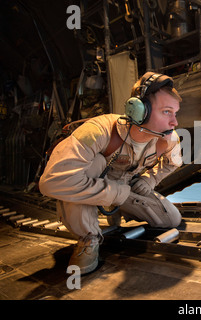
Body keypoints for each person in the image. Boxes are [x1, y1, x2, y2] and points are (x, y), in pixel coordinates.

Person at [39, 72, 183, 275]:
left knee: (171, 220)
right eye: (167, 112)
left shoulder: (167, 138)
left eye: (175, 113)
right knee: (91, 165)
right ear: (139, 110)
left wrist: (150, 179)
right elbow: (52, 182)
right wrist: (114, 193)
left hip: (126, 186)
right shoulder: (99, 131)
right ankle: (88, 237)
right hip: (99, 181)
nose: (174, 122)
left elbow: (173, 163)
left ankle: (116, 209)